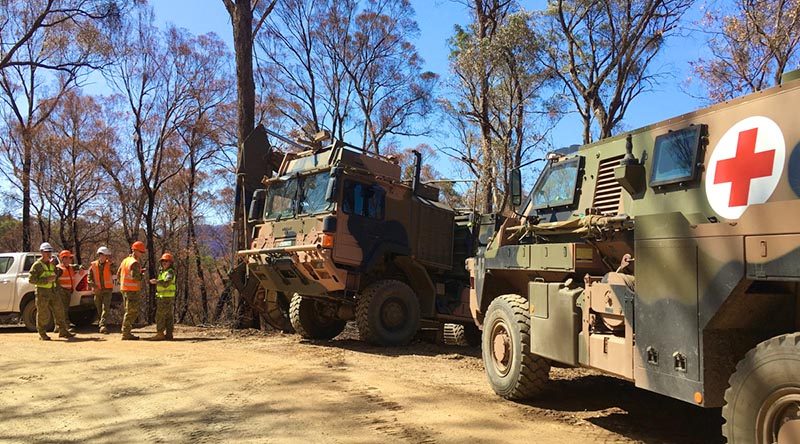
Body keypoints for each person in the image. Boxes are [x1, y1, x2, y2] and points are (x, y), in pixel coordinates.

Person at [28, 243, 74, 340]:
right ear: (41, 252)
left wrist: (55, 267)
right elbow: (31, 280)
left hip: (53, 291)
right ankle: (42, 333)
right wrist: (46, 280)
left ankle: (63, 331)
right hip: (42, 292)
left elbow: (58, 273)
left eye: (50, 251)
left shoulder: (51, 263)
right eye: (46, 252)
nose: (49, 253)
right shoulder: (37, 265)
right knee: (42, 313)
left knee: (60, 311)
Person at [118, 241, 146, 340]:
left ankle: (125, 331)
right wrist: (141, 275)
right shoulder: (134, 263)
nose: (141, 254)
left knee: (128, 310)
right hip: (132, 290)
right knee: (132, 312)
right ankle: (126, 333)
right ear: (135, 251)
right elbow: (135, 277)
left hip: (124, 289)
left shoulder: (125, 260)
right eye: (140, 252)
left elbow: (119, 274)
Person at [149, 252, 176, 341]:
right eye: (163, 261)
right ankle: (169, 334)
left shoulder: (169, 272)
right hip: (164, 297)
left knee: (161, 316)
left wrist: (156, 281)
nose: (164, 262)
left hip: (165, 298)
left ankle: (160, 334)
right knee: (168, 316)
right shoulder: (163, 272)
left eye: (166, 261)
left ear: (170, 263)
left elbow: (166, 283)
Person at [89, 246, 114, 334]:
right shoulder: (93, 265)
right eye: (102, 255)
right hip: (98, 291)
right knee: (99, 308)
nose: (103, 257)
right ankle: (101, 323)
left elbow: (115, 271)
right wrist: (93, 285)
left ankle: (103, 325)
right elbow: (89, 278)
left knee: (105, 307)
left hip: (107, 290)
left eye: (105, 256)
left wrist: (112, 264)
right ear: (99, 255)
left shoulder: (110, 264)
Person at [55, 250, 80, 333]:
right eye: (69, 258)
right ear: (63, 259)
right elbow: (55, 281)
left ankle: (58, 326)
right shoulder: (59, 269)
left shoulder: (70, 267)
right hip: (61, 292)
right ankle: (66, 326)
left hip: (68, 291)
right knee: (63, 309)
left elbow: (76, 267)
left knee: (63, 309)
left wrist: (80, 267)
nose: (70, 259)